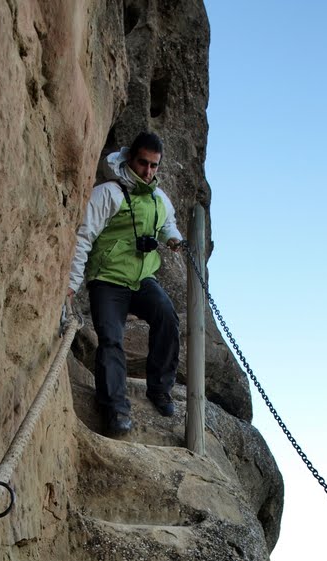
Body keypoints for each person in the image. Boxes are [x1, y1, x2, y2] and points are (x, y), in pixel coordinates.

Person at [67, 131, 183, 435]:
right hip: (108, 279)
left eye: (154, 166)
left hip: (142, 279)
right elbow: (83, 237)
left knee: (167, 317)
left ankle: (159, 389)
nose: (147, 171)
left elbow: (168, 222)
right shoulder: (107, 193)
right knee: (111, 339)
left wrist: (172, 238)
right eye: (143, 163)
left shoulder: (159, 199)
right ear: (130, 158)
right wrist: (73, 281)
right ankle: (115, 409)